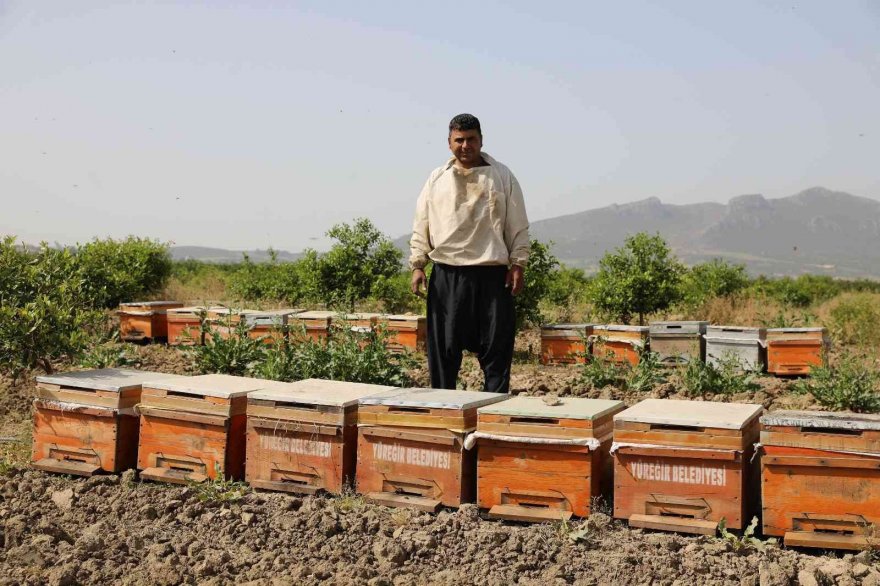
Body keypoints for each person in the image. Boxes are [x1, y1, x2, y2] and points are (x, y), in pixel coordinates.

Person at [409, 113, 530, 393]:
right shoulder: (436, 179)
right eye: (459, 140)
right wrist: (418, 264)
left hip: (492, 276)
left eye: (471, 139)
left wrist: (518, 263)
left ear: (481, 140)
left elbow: (518, 223)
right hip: (447, 275)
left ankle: (493, 417)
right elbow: (421, 224)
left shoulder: (502, 176)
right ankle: (444, 412)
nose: (465, 146)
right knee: (443, 354)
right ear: (449, 143)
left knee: (497, 352)